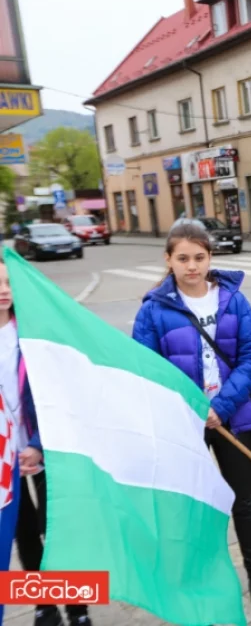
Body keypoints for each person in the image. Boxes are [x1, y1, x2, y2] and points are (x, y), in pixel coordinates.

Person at [132, 224, 251, 615]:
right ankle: (194, 584)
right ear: (169, 260)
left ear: (209, 258)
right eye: (182, 258)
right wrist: (190, 411)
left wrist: (222, 408)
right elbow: (145, 371)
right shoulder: (153, 310)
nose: (192, 266)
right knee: (190, 506)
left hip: (232, 419)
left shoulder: (232, 300)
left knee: (245, 502)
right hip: (182, 427)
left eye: (199, 257)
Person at [0, 259, 92, 626]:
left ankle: (78, 608)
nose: (4, 289)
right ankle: (44, 602)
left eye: (8, 282)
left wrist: (37, 443)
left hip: (46, 447)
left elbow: (60, 389)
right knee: (23, 534)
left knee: (60, 529)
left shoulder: (34, 332)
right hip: (6, 459)